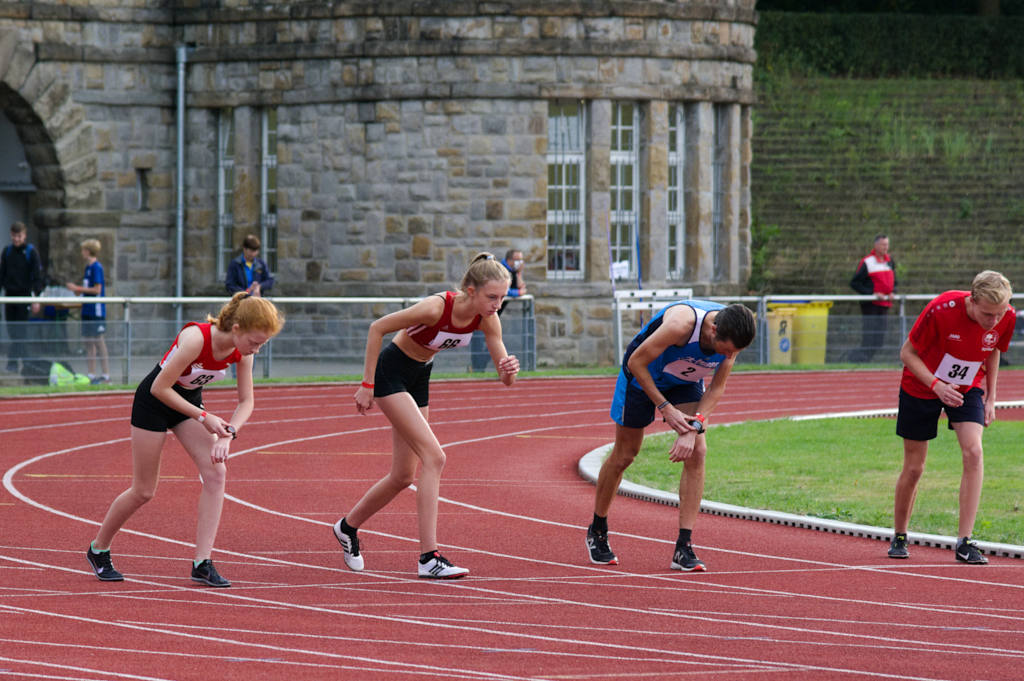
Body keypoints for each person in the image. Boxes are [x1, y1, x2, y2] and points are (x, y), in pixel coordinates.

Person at [333, 252, 520, 579]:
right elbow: (377, 328)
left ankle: (346, 527)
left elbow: (506, 380)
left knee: (403, 476)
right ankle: (429, 557)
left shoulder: (488, 319)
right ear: (470, 290)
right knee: (435, 457)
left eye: (502, 297)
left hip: (419, 376)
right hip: (391, 372)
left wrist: (508, 370)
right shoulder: (436, 308)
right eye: (492, 297)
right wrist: (366, 384)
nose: (497, 304)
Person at [86, 292, 284, 586]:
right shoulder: (196, 339)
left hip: (186, 405)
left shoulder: (244, 353)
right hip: (153, 404)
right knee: (143, 491)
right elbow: (159, 388)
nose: (257, 349)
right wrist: (205, 419)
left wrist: (226, 436)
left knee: (217, 472)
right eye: (255, 341)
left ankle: (202, 562)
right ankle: (98, 548)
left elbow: (246, 402)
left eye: (263, 344)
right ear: (237, 328)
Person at [587, 301, 756, 572]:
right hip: (642, 377)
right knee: (625, 455)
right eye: (725, 351)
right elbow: (635, 362)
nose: (729, 356)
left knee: (698, 450)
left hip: (684, 383)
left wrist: (695, 428)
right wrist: (665, 409)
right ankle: (597, 528)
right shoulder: (680, 325)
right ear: (713, 330)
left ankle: (684, 546)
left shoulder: (733, 338)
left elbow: (716, 389)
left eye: (734, 353)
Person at [888, 270, 1014, 565]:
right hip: (922, 385)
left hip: (968, 386)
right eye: (987, 314)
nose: (993, 321)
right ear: (972, 301)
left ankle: (965, 541)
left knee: (974, 451)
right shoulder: (941, 309)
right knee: (915, 467)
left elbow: (993, 349)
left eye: (999, 314)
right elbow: (906, 353)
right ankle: (900, 534)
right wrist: (936, 386)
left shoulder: (1004, 315)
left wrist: (991, 397)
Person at [471, 248, 528, 371]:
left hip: (492, 315)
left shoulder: (513, 271)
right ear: (509, 259)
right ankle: (476, 367)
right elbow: (500, 288)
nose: (520, 262)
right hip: (481, 314)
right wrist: (517, 292)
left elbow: (522, 287)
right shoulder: (500, 271)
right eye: (517, 259)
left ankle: (479, 367)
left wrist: (519, 274)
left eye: (521, 259)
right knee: (479, 341)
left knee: (492, 342)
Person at [1, 222, 44, 374]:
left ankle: (15, 362)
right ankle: (25, 362)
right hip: (10, 296)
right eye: (14, 236)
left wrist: (36, 297)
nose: (16, 239)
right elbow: (2, 275)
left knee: (21, 331)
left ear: (24, 236)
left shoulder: (31, 252)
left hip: (24, 296)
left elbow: (37, 277)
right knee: (12, 330)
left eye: (19, 236)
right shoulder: (7, 252)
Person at [66, 239, 111, 384]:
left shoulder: (97, 267)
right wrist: (78, 291)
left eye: (83, 250)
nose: (81, 253)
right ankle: (91, 374)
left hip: (96, 310)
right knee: (88, 341)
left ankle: (106, 374)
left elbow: (97, 289)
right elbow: (87, 289)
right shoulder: (87, 268)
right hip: (86, 309)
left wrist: (78, 289)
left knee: (98, 341)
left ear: (88, 251)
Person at [849, 234, 896, 362]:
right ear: (876, 245)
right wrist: (873, 293)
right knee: (869, 337)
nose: (886, 247)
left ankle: (862, 361)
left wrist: (893, 292)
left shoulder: (890, 261)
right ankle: (855, 360)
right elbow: (855, 283)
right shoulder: (867, 262)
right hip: (870, 305)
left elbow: (894, 281)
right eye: (883, 244)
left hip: (885, 305)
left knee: (879, 339)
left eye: (887, 244)